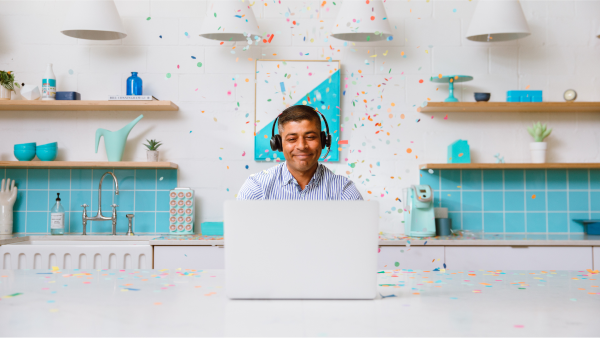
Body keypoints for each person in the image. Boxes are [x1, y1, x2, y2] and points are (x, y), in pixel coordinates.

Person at [237, 105, 363, 200]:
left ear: (323, 140)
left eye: (310, 137)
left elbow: (361, 234)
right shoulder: (256, 188)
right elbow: (239, 233)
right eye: (292, 139)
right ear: (279, 144)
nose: (302, 146)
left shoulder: (344, 191)